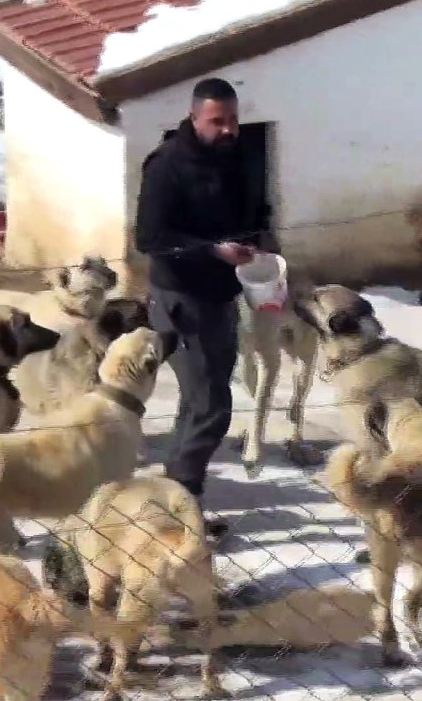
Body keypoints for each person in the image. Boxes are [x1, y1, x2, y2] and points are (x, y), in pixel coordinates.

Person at [134, 77, 276, 538]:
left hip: (222, 294)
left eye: (233, 118)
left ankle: (174, 500)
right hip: (181, 296)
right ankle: (181, 506)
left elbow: (255, 211)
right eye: (217, 121)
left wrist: (259, 247)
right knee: (211, 404)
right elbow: (151, 238)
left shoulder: (240, 155)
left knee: (202, 398)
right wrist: (213, 251)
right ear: (194, 118)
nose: (228, 128)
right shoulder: (168, 166)